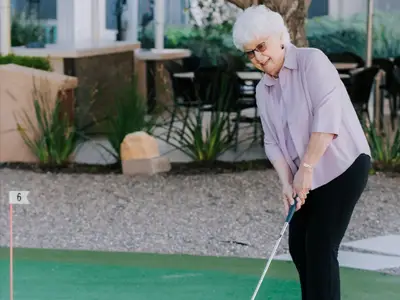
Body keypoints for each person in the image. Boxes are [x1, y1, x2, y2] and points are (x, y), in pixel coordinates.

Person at [232, 5, 371, 300]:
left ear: (280, 37)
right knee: (298, 246)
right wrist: (286, 182)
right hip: (302, 177)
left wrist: (306, 169)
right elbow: (272, 142)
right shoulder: (263, 90)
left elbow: (327, 119)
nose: (258, 57)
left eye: (261, 46)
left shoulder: (312, 62)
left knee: (321, 245)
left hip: (343, 165)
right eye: (250, 53)